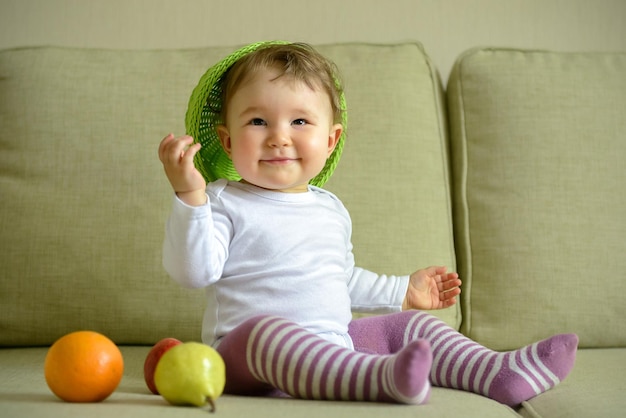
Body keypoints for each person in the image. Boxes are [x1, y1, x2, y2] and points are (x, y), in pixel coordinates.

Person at [158, 41, 578, 406]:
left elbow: (337, 278)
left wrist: (402, 291)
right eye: (257, 121)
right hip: (245, 358)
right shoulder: (223, 201)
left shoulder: (330, 209)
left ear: (330, 139)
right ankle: (378, 378)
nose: (279, 136)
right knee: (267, 333)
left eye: (299, 121)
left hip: (332, 346)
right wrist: (190, 198)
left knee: (412, 328)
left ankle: (498, 374)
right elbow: (195, 273)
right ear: (228, 140)